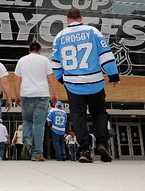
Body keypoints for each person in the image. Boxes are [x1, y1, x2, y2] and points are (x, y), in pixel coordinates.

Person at [52, 8, 120, 163]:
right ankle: (102, 143)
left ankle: (84, 150)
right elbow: (105, 54)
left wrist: (64, 80)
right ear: (81, 18)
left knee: (78, 116)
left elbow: (55, 64)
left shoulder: (60, 37)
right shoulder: (92, 31)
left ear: (67, 19)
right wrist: (113, 75)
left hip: (73, 84)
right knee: (99, 113)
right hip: (95, 82)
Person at [14, 42, 58, 161]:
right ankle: (37, 153)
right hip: (42, 94)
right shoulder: (44, 60)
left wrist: (17, 95)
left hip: (27, 95)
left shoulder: (22, 60)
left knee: (27, 120)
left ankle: (27, 140)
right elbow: (51, 78)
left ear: (29, 50)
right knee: (38, 124)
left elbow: (17, 79)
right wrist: (54, 94)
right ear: (39, 50)